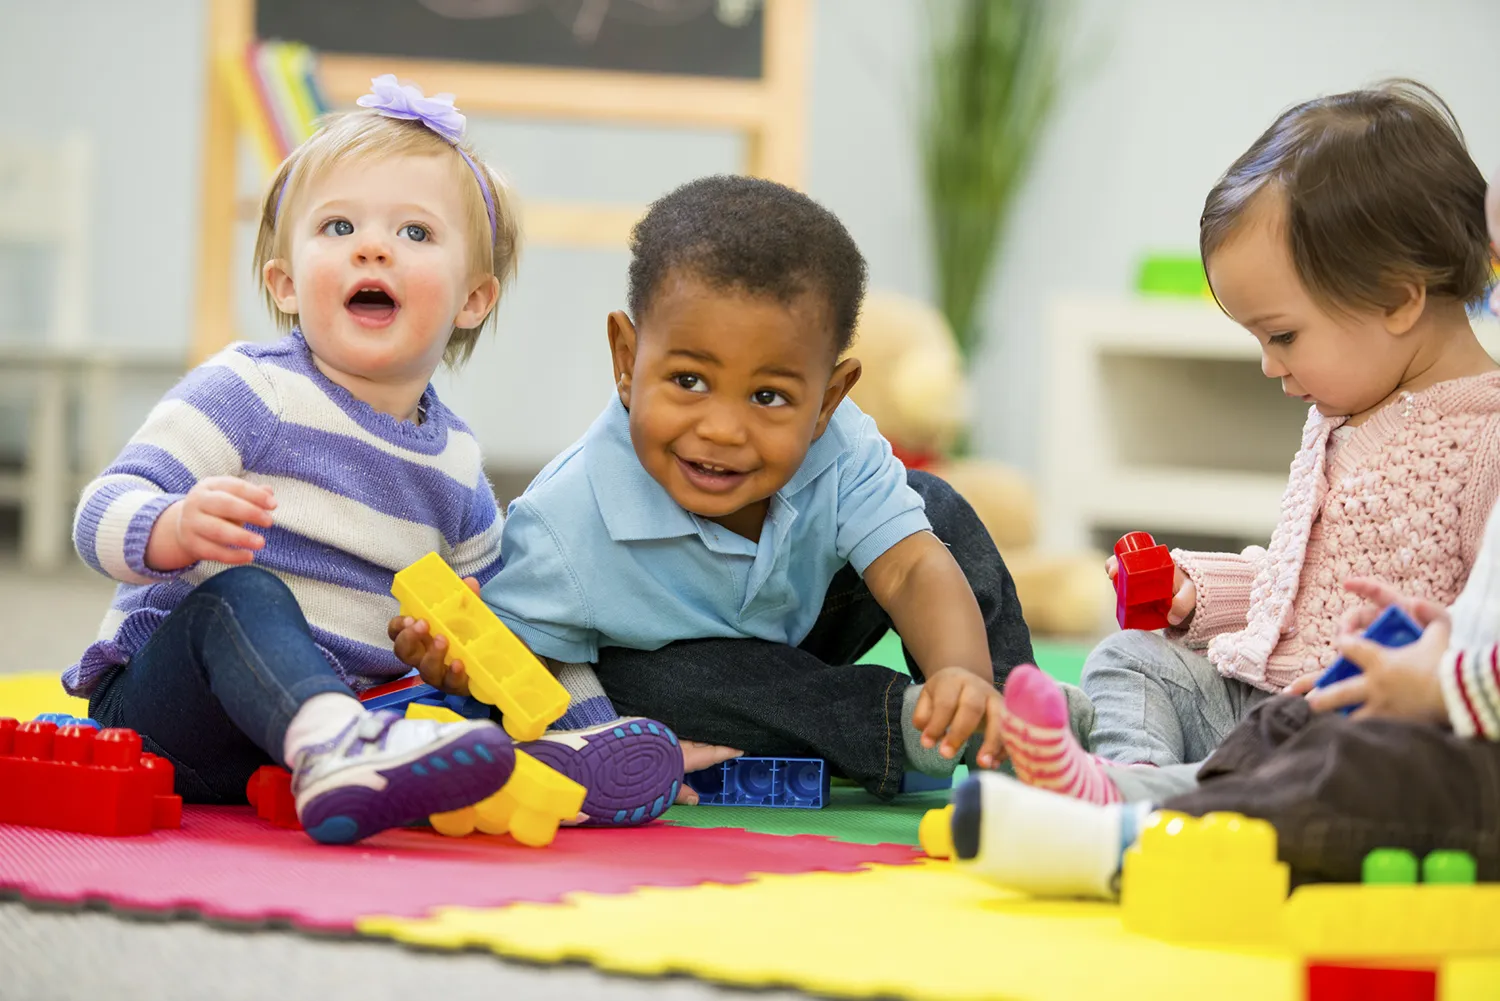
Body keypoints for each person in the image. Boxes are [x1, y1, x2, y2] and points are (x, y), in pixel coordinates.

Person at [396, 175, 1043, 800]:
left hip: (813, 617)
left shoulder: (840, 443)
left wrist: (962, 671)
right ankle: (906, 727)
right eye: (688, 382)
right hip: (712, 678)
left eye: (768, 396)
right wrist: (452, 665)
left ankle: (1012, 718)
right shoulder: (568, 522)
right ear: (627, 359)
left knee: (934, 508)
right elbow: (517, 667)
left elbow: (906, 571)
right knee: (645, 684)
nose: (723, 429)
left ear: (828, 400)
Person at [997, 80, 1500, 806]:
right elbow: (1296, 588)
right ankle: (1120, 775)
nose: (1270, 363)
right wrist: (1196, 591)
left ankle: (1124, 789)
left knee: (1311, 759)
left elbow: (1477, 634)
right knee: (1133, 657)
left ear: (1398, 298)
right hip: (1254, 695)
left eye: (1284, 335)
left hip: (1346, 722)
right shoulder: (1343, 413)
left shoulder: (1482, 441)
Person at [69, 76, 533, 845]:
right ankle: (336, 744)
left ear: (472, 300)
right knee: (242, 593)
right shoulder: (251, 390)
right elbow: (98, 514)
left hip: (309, 735)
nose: (374, 246)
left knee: (459, 700)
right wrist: (171, 525)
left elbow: (508, 617)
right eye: (339, 226)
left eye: (415, 234)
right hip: (169, 718)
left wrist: (455, 657)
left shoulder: (456, 465)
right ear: (285, 285)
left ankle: (359, 753)